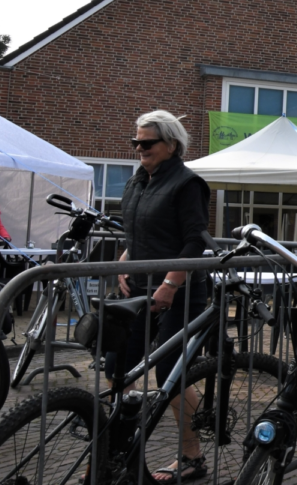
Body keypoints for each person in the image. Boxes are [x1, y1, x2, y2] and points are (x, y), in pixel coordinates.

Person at [114, 111, 212, 483]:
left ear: (171, 145)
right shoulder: (138, 181)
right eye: (136, 142)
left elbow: (192, 239)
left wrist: (170, 284)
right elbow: (136, 232)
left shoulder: (188, 184)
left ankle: (192, 455)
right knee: (118, 364)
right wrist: (123, 263)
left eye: (148, 143)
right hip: (139, 286)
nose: (140, 149)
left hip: (181, 289)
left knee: (171, 372)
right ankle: (119, 447)